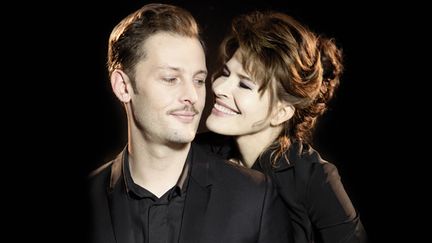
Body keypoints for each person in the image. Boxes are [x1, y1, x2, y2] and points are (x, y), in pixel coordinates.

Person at [88, 3, 293, 243]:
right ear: (123, 86)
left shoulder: (255, 198)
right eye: (171, 78)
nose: (193, 97)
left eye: (198, 80)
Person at [199, 10, 367, 243]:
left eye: (245, 85)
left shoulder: (314, 178)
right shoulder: (196, 155)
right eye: (226, 73)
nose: (219, 87)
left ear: (281, 112)